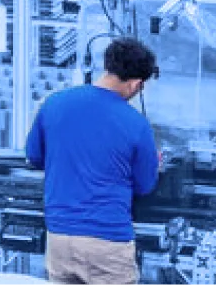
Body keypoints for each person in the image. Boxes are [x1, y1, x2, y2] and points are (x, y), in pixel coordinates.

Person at [26, 37, 160, 285]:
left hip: (59, 237)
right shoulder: (136, 124)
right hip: (107, 242)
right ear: (135, 85)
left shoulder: (54, 103)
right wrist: (152, 162)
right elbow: (144, 186)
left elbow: (34, 157)